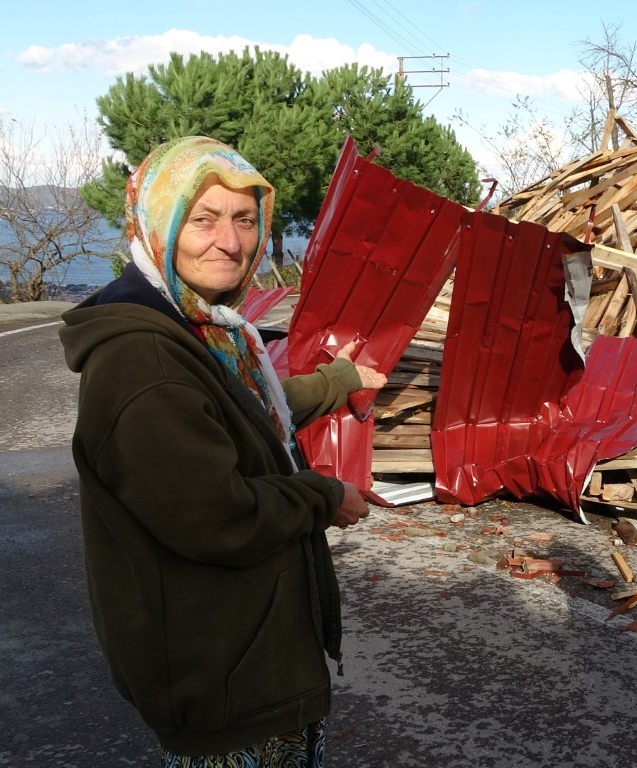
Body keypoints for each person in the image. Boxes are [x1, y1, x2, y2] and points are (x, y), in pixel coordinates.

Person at [60, 136, 386, 765]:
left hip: (242, 651)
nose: (230, 243)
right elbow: (215, 515)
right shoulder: (144, 360)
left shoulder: (195, 324)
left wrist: (336, 383)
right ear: (160, 223)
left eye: (244, 220)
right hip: (220, 671)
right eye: (202, 219)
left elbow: (242, 410)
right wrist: (325, 496)